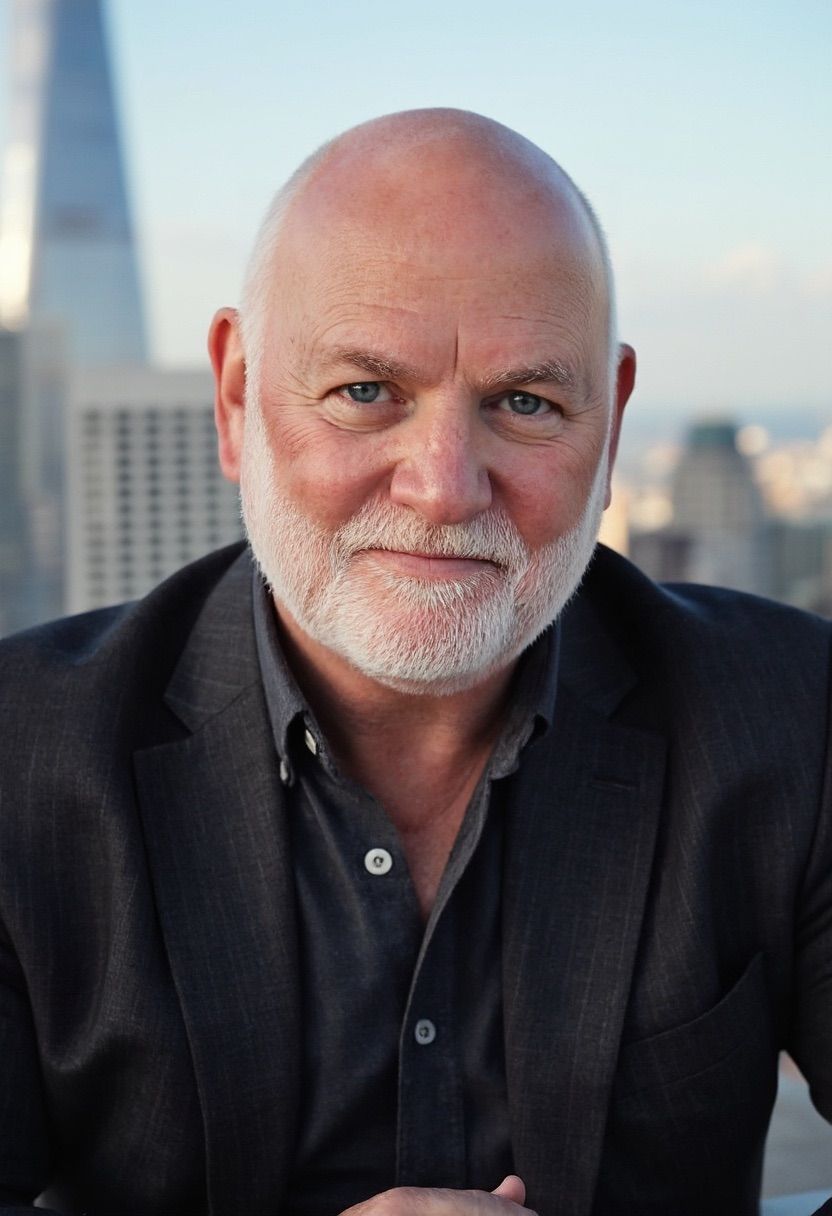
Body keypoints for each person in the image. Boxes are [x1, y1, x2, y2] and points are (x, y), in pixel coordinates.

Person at [0, 109, 830, 1216]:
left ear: (613, 423)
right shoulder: (17, 756)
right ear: (238, 395)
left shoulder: (793, 719)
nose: (444, 487)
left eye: (523, 403)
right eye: (365, 392)